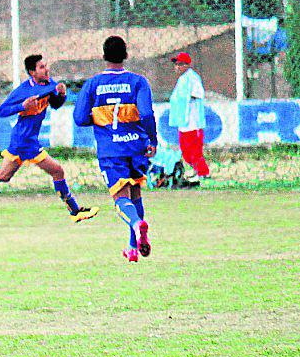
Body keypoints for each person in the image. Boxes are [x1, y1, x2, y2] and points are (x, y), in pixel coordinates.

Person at [0, 53, 98, 223]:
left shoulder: (49, 84)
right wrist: (22, 106)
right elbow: (2, 111)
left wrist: (61, 95)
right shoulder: (24, 91)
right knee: (57, 171)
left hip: (22, 139)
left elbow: (55, 105)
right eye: (41, 67)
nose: (46, 69)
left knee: (3, 175)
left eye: (46, 65)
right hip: (26, 142)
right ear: (32, 72)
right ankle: (76, 211)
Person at [73, 35, 158, 263]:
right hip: (136, 147)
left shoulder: (92, 84)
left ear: (104, 56)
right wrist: (153, 140)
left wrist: (101, 116)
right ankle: (132, 247)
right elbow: (147, 114)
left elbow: (80, 118)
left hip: (111, 151)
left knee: (121, 199)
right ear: (126, 55)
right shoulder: (138, 82)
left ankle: (136, 224)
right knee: (135, 195)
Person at [168, 51, 211, 180]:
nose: (177, 67)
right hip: (183, 122)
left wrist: (186, 97)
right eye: (176, 65)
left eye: (180, 64)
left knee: (195, 151)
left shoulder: (192, 78)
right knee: (186, 152)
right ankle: (196, 170)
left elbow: (198, 94)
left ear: (186, 65)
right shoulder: (182, 79)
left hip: (193, 122)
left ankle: (202, 173)